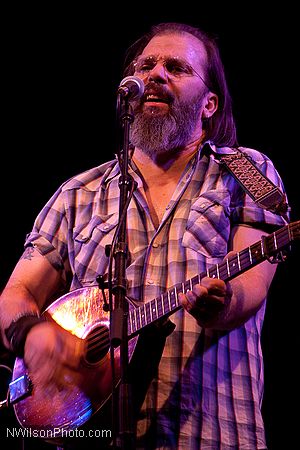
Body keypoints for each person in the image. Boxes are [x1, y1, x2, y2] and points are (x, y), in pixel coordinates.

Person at [0, 22, 290, 449]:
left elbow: (253, 279)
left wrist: (223, 303)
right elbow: (17, 291)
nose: (155, 74)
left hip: (210, 435)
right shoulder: (78, 193)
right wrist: (32, 334)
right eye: (146, 64)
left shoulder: (246, 171)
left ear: (210, 104)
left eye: (176, 67)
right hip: (94, 434)